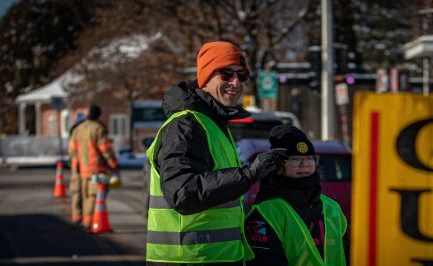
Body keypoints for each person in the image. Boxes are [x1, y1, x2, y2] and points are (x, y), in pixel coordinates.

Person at [145, 41, 288, 265]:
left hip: (216, 257)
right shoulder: (186, 125)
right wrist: (248, 175)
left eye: (242, 76)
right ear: (205, 77)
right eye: (226, 74)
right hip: (190, 260)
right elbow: (183, 193)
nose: (235, 82)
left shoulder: (215, 124)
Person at [245, 125, 348, 266]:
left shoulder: (332, 208)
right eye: (295, 159)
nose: (304, 164)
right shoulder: (266, 213)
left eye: (309, 158)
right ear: (279, 166)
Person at [68, 105, 120, 228]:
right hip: (96, 170)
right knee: (94, 196)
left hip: (80, 170)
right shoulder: (98, 129)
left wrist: (76, 166)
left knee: (82, 195)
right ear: (98, 115)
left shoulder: (78, 129)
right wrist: (113, 163)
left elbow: (71, 150)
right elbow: (105, 149)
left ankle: (78, 218)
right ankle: (90, 222)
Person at [68, 113, 87, 225]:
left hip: (77, 165)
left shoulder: (74, 132)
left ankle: (77, 216)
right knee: (81, 192)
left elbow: (71, 150)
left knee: (77, 192)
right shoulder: (78, 132)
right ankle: (79, 216)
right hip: (80, 165)